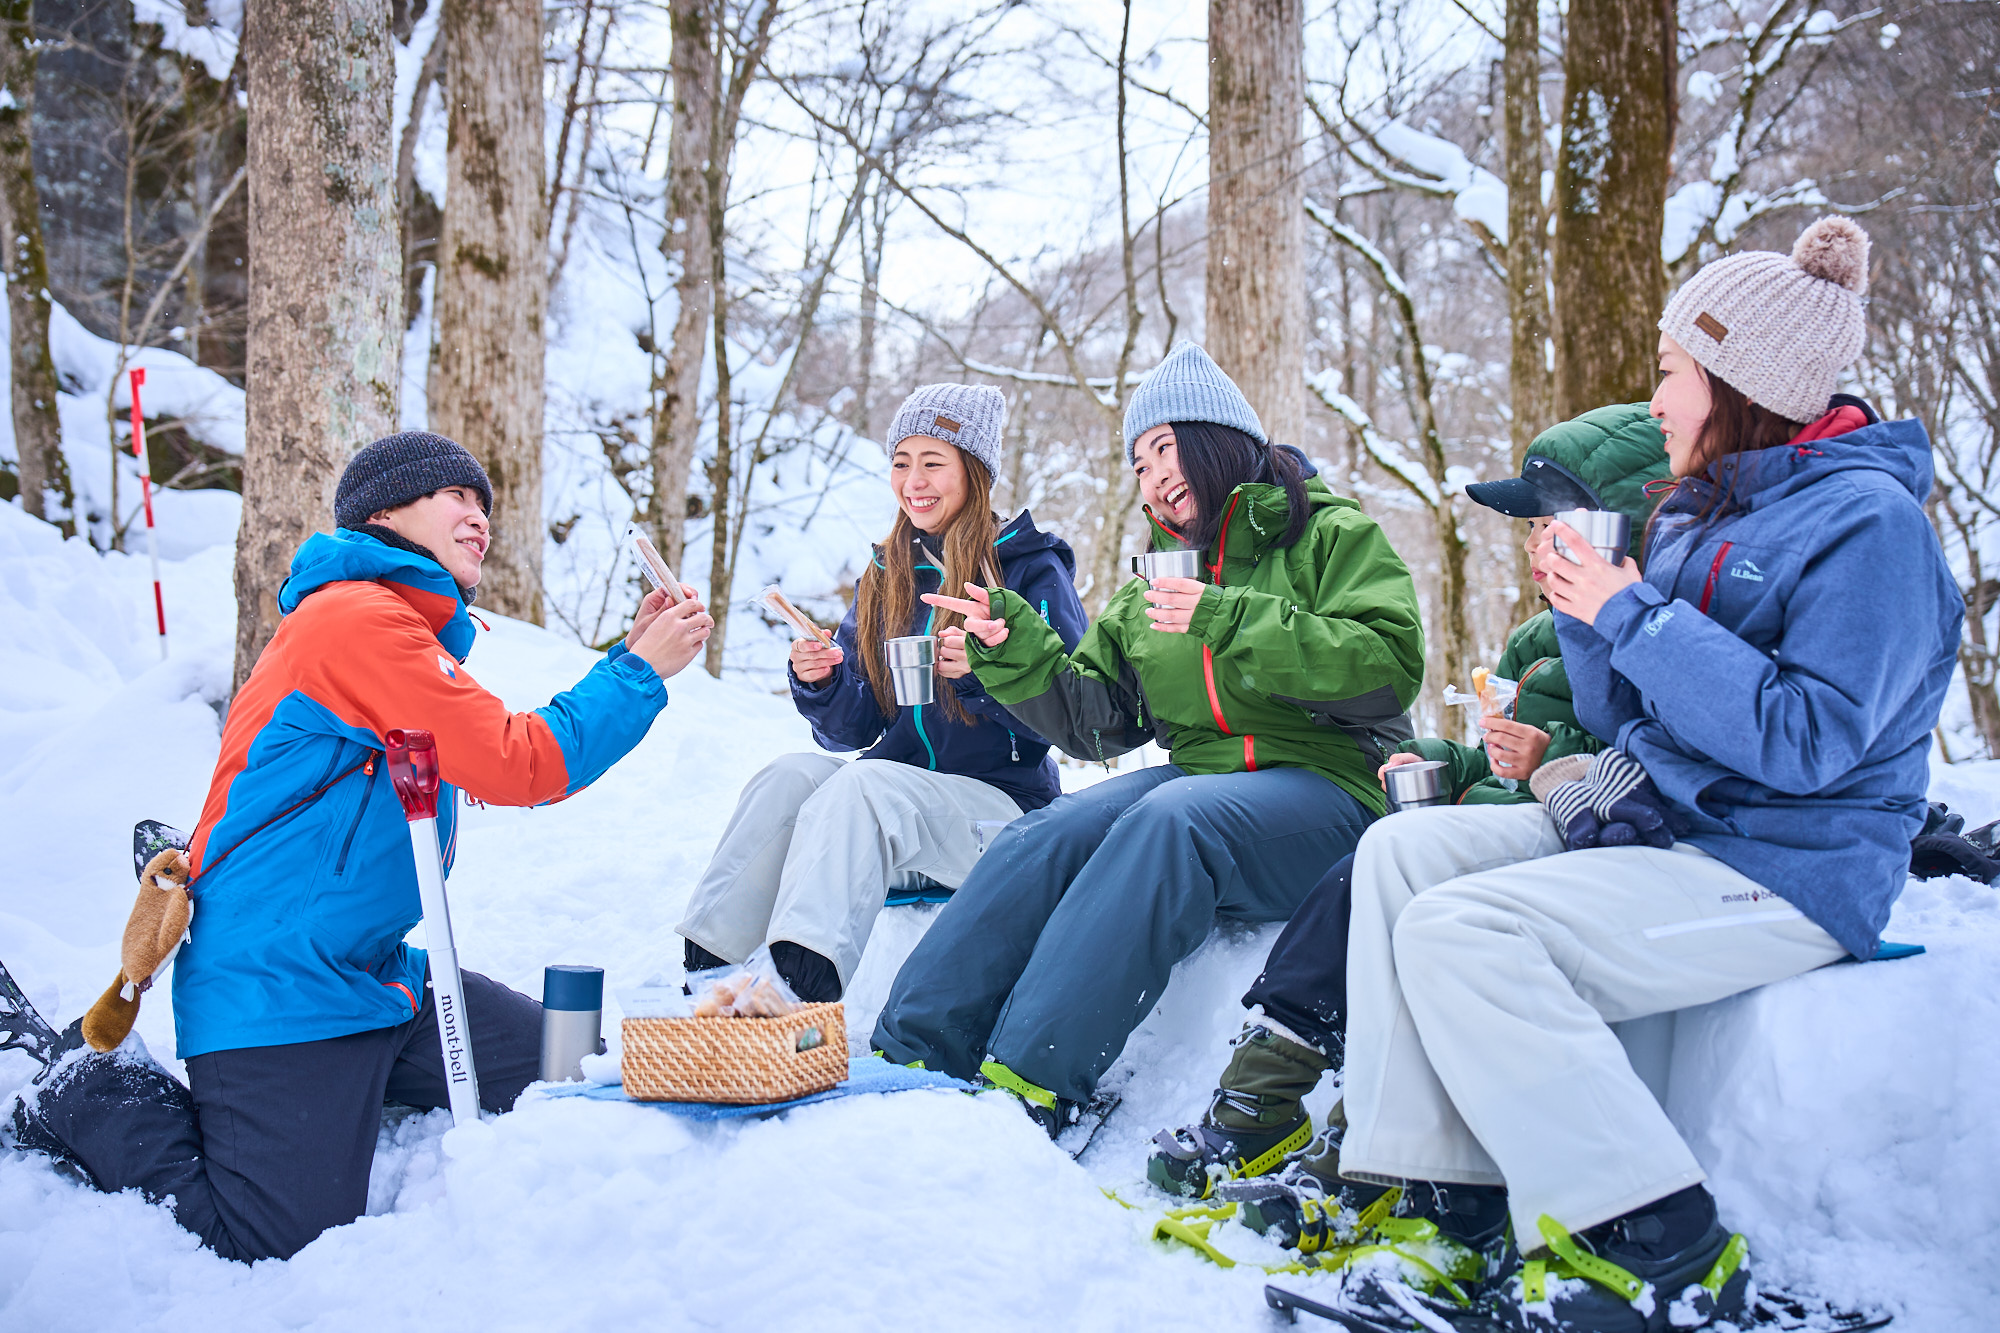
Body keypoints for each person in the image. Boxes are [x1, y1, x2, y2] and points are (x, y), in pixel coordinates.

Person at [1312, 217, 1961, 1333]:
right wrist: (1585, 612)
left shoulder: (1872, 526)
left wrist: (1633, 611)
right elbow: (1631, 718)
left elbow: (1809, 741)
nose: (1654, 399)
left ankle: (1653, 1251)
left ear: (1740, 382)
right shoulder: (1702, 512)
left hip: (1790, 864)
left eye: (1670, 371)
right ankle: (1446, 1207)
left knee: (1466, 931)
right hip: (1672, 827)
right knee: (1404, 853)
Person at [3, 431, 712, 1263]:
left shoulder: (393, 630)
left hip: (375, 979)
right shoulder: (356, 621)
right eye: (455, 496)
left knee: (570, 1066)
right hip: (277, 988)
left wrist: (630, 659)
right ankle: (81, 1084)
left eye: (484, 502)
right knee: (270, 1238)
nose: (479, 516)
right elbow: (521, 761)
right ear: (385, 513)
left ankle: (356, 1089)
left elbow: (506, 766)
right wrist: (639, 672)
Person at [871, 343, 1426, 1135]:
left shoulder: (1329, 535)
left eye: (1164, 448)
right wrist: (1013, 645)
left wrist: (1227, 617)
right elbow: (1096, 722)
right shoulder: (1153, 583)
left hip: (1334, 788)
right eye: (1138, 463)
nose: (1152, 475)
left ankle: (1031, 1078)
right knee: (1049, 831)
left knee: (1171, 822)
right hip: (1204, 777)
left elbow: (1388, 666)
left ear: (1216, 440)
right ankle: (914, 1047)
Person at [1146, 403, 1673, 1210]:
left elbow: (1637, 759)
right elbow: (1495, 762)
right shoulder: (1536, 642)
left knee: (1416, 907)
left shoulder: (1647, 633)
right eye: (1530, 530)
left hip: (1580, 846)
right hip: (1498, 819)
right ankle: (1260, 1096)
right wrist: (1446, 760)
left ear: (1617, 530)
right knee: (1359, 877)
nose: (1533, 545)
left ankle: (1365, 1144)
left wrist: (1544, 758)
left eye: (1551, 526)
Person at [676, 385, 1087, 1003]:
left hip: (1004, 817)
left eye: (933, 462)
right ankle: (705, 983)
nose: (913, 481)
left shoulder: (1030, 568)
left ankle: (793, 1001)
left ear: (975, 473)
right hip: (894, 820)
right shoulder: (886, 573)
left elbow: (1075, 716)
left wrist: (984, 676)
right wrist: (823, 681)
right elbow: (854, 729)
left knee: (866, 787)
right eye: (901, 462)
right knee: (786, 778)